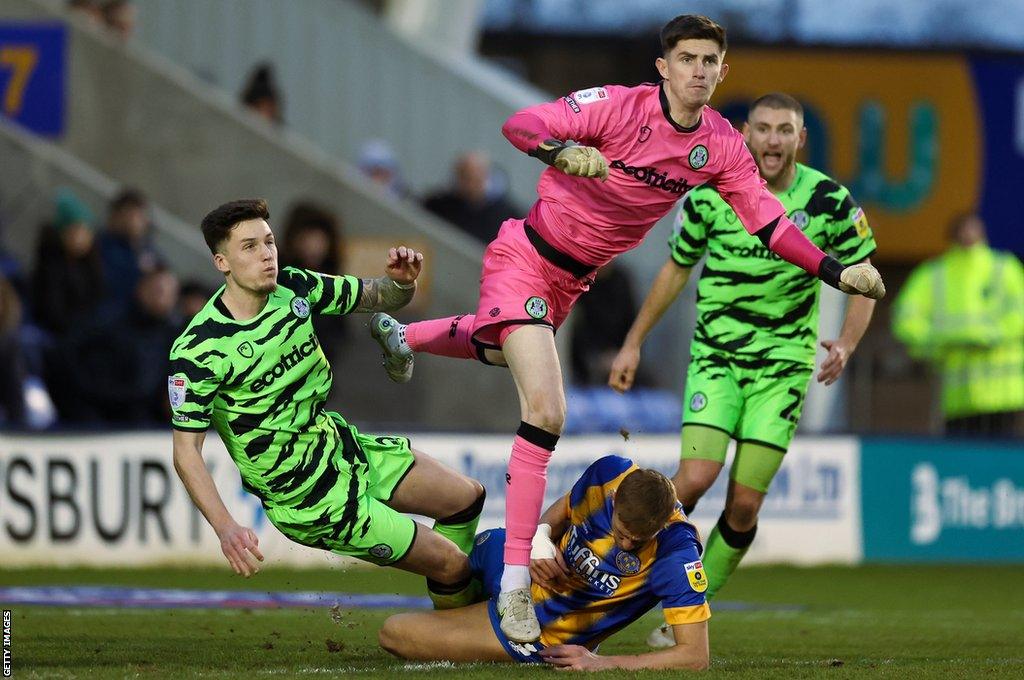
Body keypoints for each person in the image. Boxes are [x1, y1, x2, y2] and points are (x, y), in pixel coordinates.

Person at [370, 15, 884, 642]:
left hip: (572, 283)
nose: (698, 70)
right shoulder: (616, 107)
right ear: (663, 67)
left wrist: (834, 271)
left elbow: (768, 224)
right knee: (546, 410)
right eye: (686, 59)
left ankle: (406, 336)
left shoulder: (720, 146)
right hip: (525, 256)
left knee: (497, 347)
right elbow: (521, 124)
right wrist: (561, 150)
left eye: (709, 61)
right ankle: (512, 588)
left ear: (723, 72)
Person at [606, 93, 878, 646]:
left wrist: (846, 344)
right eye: (763, 128)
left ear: (801, 138)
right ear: (746, 133)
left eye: (785, 130)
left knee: (745, 503)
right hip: (717, 359)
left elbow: (865, 278)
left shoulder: (829, 201)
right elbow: (675, 270)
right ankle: (611, 583)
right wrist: (633, 342)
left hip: (781, 367)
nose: (773, 139)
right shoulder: (709, 195)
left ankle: (691, 607)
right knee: (694, 480)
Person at [168, 199, 485, 610]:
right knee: (452, 564)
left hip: (339, 446)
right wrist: (225, 526)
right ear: (222, 262)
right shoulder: (199, 349)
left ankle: (452, 611)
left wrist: (402, 283)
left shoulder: (296, 287)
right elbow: (185, 451)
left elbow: (378, 295)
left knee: (466, 498)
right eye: (249, 247)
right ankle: (464, 626)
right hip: (308, 498)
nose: (266, 254)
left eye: (269, 242)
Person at [379, 455, 710, 671]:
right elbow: (565, 508)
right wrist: (540, 540)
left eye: (638, 542)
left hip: (542, 626)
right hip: (531, 572)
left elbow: (695, 656)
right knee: (467, 551)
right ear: (614, 499)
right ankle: (466, 619)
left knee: (394, 633)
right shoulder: (609, 473)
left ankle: (482, 628)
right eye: (622, 532)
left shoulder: (677, 554)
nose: (626, 544)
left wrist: (600, 663)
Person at [892, 213, 1024, 437]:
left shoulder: (1005, 267)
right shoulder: (933, 274)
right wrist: (942, 341)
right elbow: (905, 319)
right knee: (964, 460)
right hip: (958, 396)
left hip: (1004, 393)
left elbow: (1019, 311)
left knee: (1000, 458)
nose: (969, 233)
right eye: (964, 228)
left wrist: (990, 335)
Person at [423, 151, 521, 243]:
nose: (470, 184)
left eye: (476, 178)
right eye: (465, 177)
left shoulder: (508, 215)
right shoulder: (438, 206)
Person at [98, 188, 164, 315]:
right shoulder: (101, 245)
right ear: (116, 217)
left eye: (141, 216)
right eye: (132, 216)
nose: (136, 222)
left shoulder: (147, 248)